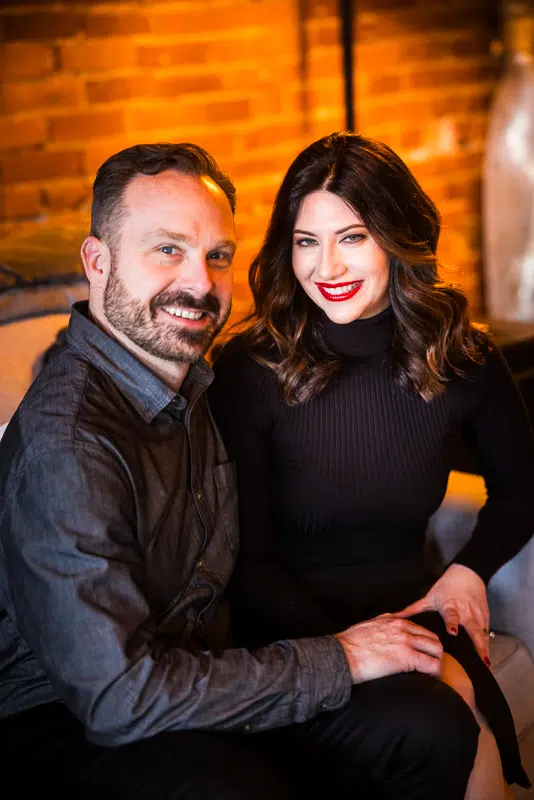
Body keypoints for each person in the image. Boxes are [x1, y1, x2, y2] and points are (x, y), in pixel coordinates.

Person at [0, 142, 480, 799]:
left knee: (428, 725)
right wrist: (341, 656)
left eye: (217, 255)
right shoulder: (71, 442)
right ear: (98, 261)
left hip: (202, 675)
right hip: (64, 720)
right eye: (167, 249)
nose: (199, 284)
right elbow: (118, 696)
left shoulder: (192, 382)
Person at [209, 132, 534, 798]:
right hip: (291, 638)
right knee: (450, 723)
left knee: (468, 733)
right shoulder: (249, 371)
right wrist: (351, 653)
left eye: (352, 236)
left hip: (409, 611)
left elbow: (524, 487)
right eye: (306, 241)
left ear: (396, 236)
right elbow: (249, 564)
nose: (326, 264)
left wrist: (470, 570)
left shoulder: (458, 355)